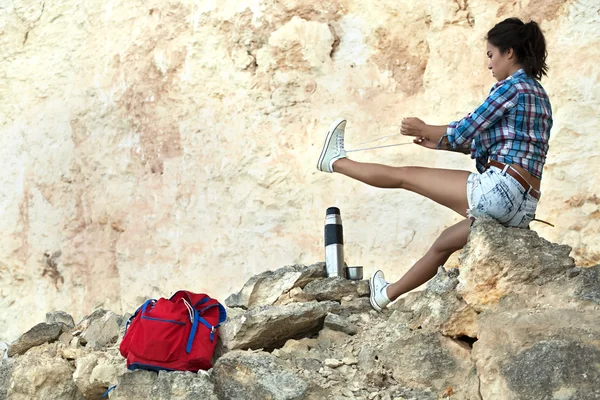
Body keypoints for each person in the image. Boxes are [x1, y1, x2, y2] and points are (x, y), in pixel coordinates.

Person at [315, 17, 552, 311]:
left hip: (500, 190)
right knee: (445, 242)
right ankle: (384, 296)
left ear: (510, 53)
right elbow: (484, 145)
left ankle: (335, 161)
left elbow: (468, 127)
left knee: (404, 177)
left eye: (491, 55)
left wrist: (425, 128)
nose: (489, 64)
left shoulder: (510, 88)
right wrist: (439, 141)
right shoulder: (539, 94)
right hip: (523, 207)